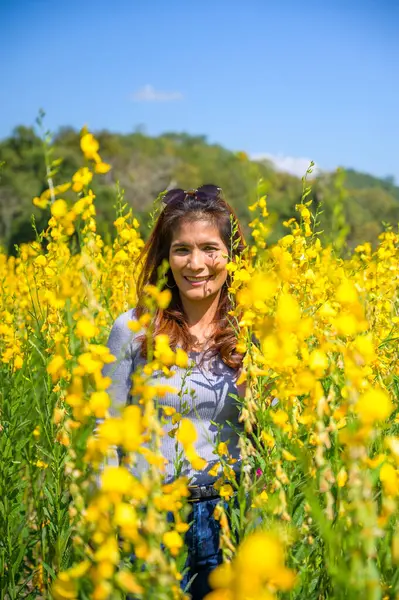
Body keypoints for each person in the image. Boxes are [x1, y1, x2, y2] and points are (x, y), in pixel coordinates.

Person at [103, 184, 247, 600]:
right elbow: (104, 427)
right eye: (182, 249)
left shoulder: (252, 334)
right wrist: (108, 512)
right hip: (151, 515)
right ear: (166, 258)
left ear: (231, 257)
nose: (196, 263)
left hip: (230, 517)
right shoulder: (132, 327)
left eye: (210, 249)